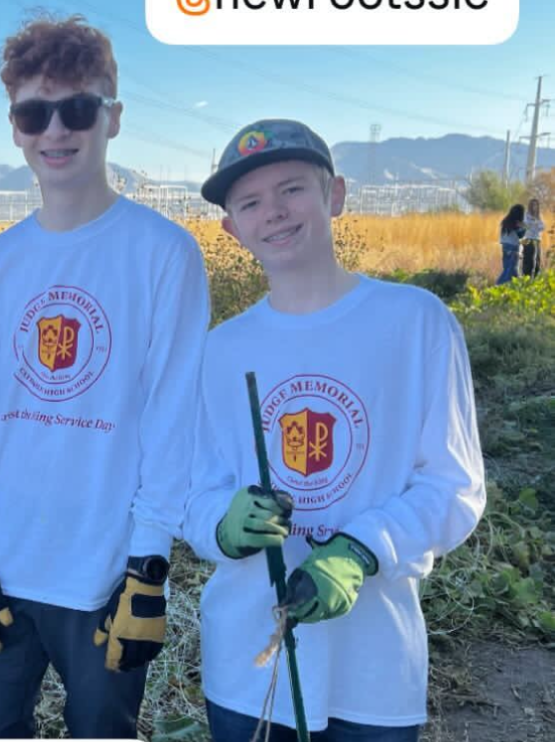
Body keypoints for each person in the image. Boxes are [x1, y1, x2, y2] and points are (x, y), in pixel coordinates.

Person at [0, 15, 209, 739]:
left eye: (78, 109)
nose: (55, 130)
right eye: (34, 113)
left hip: (107, 575)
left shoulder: (164, 253)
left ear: (113, 117)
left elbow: (172, 415)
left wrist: (149, 562)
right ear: (15, 128)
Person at [184, 119, 486, 741]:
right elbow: (189, 492)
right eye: (250, 203)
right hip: (247, 669)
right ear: (231, 228)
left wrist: (362, 547)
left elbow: (455, 487)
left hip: (373, 673)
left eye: (292, 189)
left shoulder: (415, 322)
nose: (274, 211)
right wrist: (223, 524)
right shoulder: (220, 349)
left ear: (336, 195)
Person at [497, 203, 525, 284]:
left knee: (509, 269)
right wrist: (525, 227)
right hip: (513, 248)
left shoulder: (505, 221)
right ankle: (498, 285)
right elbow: (521, 235)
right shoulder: (516, 223)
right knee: (509, 271)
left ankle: (514, 287)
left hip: (505, 247)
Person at [522, 197, 544, 277]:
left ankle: (535, 278)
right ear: (530, 206)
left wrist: (534, 224)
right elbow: (525, 225)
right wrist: (535, 224)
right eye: (533, 205)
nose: (535, 207)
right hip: (528, 239)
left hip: (537, 240)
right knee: (528, 261)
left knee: (537, 260)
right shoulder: (526, 215)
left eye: (536, 205)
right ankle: (526, 278)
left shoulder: (539, 216)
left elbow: (542, 227)